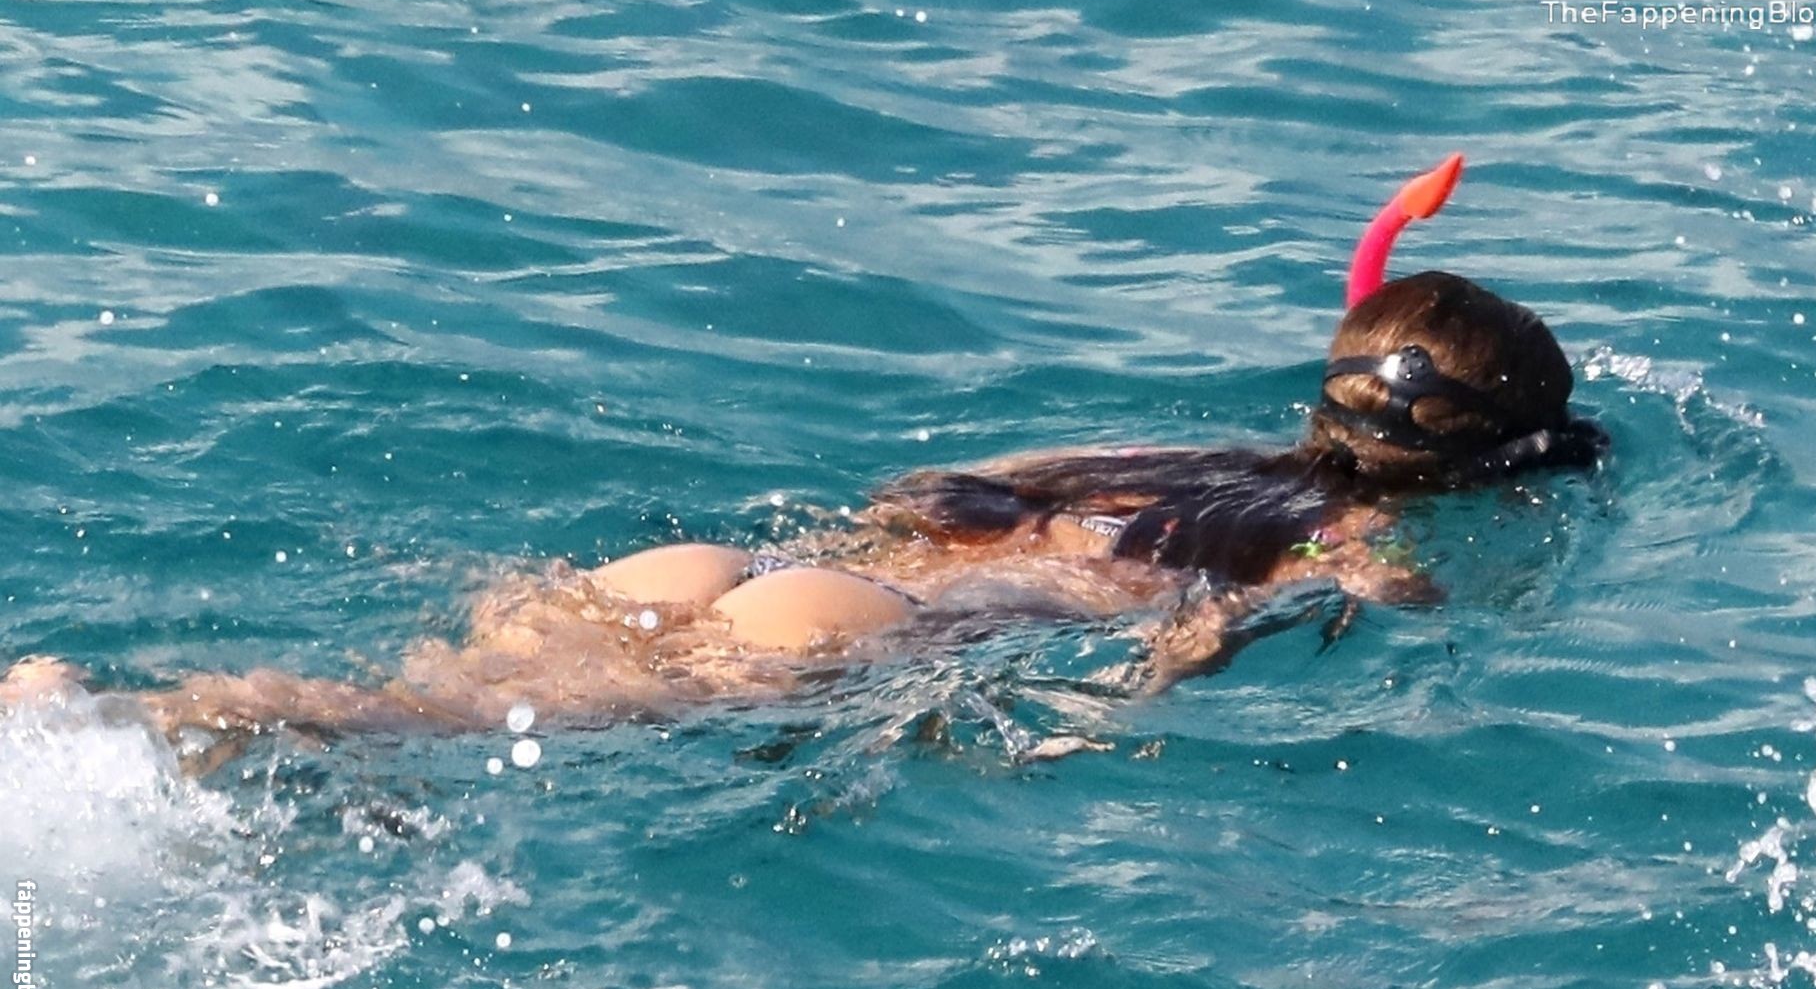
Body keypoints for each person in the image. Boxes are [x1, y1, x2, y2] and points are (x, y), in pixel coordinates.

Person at [0, 155, 1605, 763]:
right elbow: (1219, 630)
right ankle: (114, 732)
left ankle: (122, 712)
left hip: (778, 566)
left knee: (428, 691)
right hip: (873, 632)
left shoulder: (1146, 451)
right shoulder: (1333, 535)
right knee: (428, 729)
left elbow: (939, 493)